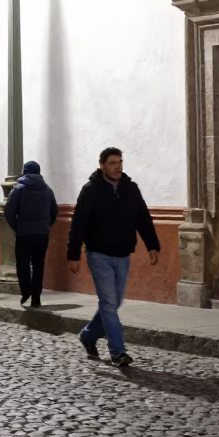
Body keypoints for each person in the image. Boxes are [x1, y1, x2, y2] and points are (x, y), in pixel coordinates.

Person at [68, 147, 160, 368]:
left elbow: (143, 219)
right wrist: (73, 254)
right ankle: (118, 352)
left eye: (119, 162)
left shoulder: (131, 189)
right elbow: (78, 224)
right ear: (102, 165)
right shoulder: (90, 191)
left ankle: (88, 335)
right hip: (98, 254)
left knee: (115, 302)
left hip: (122, 255)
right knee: (108, 303)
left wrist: (152, 245)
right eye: (112, 163)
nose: (117, 166)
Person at [3, 160, 58, 309]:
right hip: (42, 234)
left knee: (23, 264)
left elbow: (8, 212)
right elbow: (55, 212)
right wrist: (46, 226)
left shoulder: (18, 189)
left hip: (24, 234)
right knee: (39, 265)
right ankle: (36, 298)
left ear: (25, 172)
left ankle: (26, 290)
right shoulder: (47, 190)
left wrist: (17, 227)